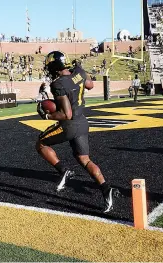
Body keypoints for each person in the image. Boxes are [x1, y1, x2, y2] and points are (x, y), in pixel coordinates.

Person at [36, 51, 119, 213]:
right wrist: (80, 69)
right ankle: (106, 188)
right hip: (82, 122)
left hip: (70, 124)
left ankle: (63, 170)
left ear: (55, 66)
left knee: (41, 144)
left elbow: (66, 114)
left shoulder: (58, 84)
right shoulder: (79, 72)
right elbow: (90, 85)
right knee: (85, 160)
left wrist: (47, 115)